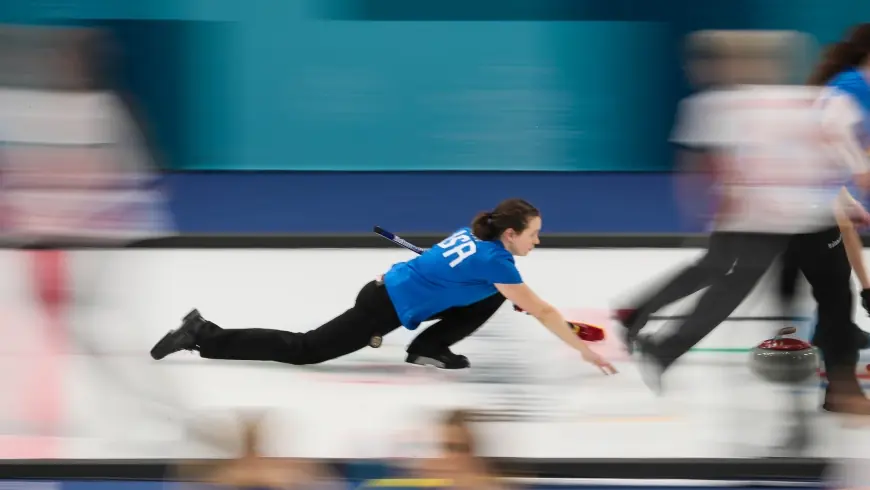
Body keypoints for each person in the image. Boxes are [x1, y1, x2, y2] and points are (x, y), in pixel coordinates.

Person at [631, 31, 870, 393]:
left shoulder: (775, 103)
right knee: (796, 288)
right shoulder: (832, 97)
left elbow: (823, 158)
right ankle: (831, 378)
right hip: (779, 216)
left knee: (745, 284)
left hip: (777, 214)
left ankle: (661, 343)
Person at [150, 198, 616, 374]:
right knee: (306, 349)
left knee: (492, 293)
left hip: (389, 289)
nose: (539, 239)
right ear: (511, 235)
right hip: (383, 306)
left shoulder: (478, 236)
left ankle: (429, 348)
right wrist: (582, 349)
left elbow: (457, 276)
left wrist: (503, 295)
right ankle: (203, 335)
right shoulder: (498, 261)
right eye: (534, 232)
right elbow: (546, 311)